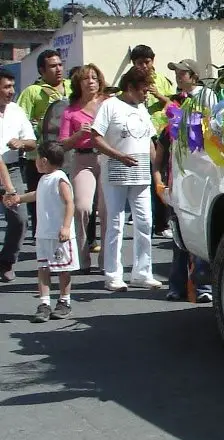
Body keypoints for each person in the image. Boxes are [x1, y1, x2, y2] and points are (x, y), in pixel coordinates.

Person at [91, 67, 163, 291]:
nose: (146, 95)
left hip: (140, 174)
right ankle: (113, 274)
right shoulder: (110, 105)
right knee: (115, 222)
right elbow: (95, 137)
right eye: (143, 90)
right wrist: (118, 155)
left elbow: (150, 142)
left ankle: (142, 273)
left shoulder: (142, 108)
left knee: (145, 222)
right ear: (130, 87)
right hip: (115, 171)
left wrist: (158, 169)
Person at [3, 140, 77, 321]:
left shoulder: (60, 179)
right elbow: (38, 194)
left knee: (63, 269)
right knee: (43, 267)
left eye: (36, 158)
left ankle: (64, 301)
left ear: (44, 160)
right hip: (43, 233)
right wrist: (19, 199)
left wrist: (66, 227)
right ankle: (44, 303)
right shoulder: (44, 179)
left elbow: (69, 203)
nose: (35, 161)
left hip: (59, 235)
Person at [153, 110, 212, 303]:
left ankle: (203, 286)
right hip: (176, 190)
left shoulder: (208, 130)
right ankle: (177, 287)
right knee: (179, 243)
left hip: (198, 190)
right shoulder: (168, 132)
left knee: (199, 240)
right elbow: (158, 162)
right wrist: (159, 185)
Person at [58, 64, 108, 272]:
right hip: (82, 159)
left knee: (107, 211)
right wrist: (78, 136)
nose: (91, 82)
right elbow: (62, 144)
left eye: (95, 78)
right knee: (82, 207)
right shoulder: (70, 111)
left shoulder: (108, 104)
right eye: (86, 78)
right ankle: (82, 257)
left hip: (107, 158)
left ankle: (107, 260)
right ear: (78, 84)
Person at [121, 45, 174, 238]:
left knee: (160, 175)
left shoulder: (162, 80)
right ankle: (141, 218)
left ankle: (162, 222)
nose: (144, 66)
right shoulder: (128, 81)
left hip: (159, 133)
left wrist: (158, 95)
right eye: (139, 63)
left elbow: (173, 104)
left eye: (147, 62)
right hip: (137, 135)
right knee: (141, 178)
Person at [17, 49, 66, 230]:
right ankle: (41, 242)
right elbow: (21, 121)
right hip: (39, 158)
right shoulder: (32, 92)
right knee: (40, 202)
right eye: (53, 66)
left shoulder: (71, 87)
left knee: (67, 199)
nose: (58, 69)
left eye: (60, 64)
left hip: (68, 156)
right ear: (41, 71)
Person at [0, 69, 37, 283]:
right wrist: (9, 189)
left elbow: (32, 142)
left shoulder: (16, 111)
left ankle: (6, 261)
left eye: (12, 87)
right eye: (6, 87)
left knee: (20, 219)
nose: (11, 91)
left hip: (13, 169)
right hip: (3, 170)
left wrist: (21, 143)